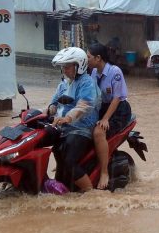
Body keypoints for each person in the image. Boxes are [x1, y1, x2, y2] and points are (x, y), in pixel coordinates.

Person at [46, 47, 101, 192]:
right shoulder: (64, 84)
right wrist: (48, 111)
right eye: (63, 67)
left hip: (82, 129)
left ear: (79, 66)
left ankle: (91, 193)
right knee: (57, 153)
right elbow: (54, 103)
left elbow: (85, 105)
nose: (64, 70)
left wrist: (68, 118)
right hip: (64, 128)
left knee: (69, 161)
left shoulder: (87, 83)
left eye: (67, 66)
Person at [87, 42, 133, 190]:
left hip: (119, 110)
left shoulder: (115, 72)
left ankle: (104, 172)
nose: (87, 60)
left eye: (89, 57)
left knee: (99, 132)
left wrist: (106, 118)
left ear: (98, 58)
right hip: (103, 108)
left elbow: (117, 98)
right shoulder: (94, 72)